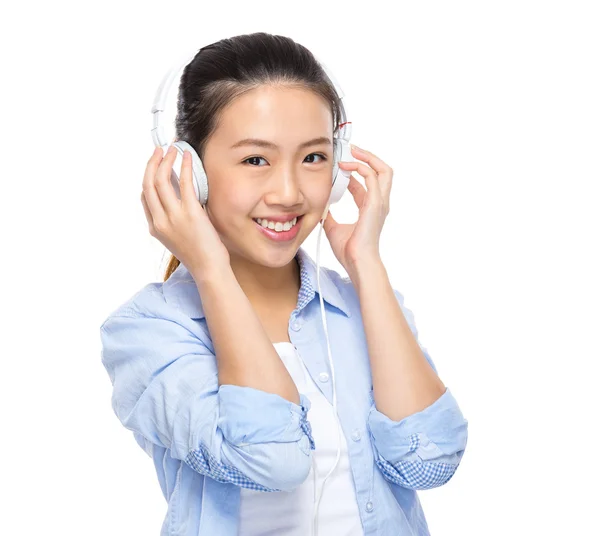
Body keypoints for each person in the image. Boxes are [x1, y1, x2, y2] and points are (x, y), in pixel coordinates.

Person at [99, 32, 469, 536]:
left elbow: (431, 460)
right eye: (256, 160)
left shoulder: (365, 307)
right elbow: (271, 460)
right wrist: (210, 268)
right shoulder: (146, 331)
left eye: (314, 158)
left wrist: (368, 265)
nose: (290, 192)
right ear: (191, 171)